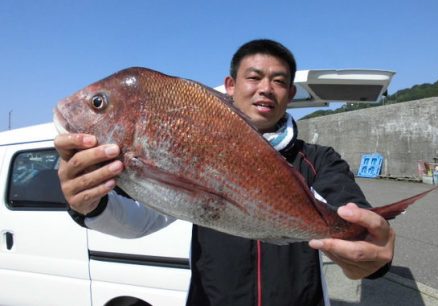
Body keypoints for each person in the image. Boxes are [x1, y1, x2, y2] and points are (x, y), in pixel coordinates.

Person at [55, 39, 395, 306]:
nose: (265, 88)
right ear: (230, 85)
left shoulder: (318, 160)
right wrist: (89, 204)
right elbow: (141, 219)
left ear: (290, 94)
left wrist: (370, 254)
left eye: (279, 81)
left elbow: (352, 216)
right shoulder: (195, 149)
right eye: (254, 77)